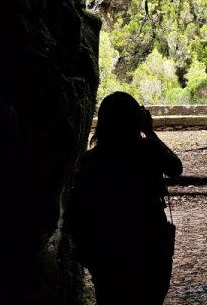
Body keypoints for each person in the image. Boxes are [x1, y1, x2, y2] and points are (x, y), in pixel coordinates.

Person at [65, 91, 183, 305]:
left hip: (108, 250)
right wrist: (150, 132)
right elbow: (175, 167)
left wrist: (88, 252)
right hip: (149, 245)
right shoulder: (148, 150)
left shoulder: (91, 160)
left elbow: (77, 209)